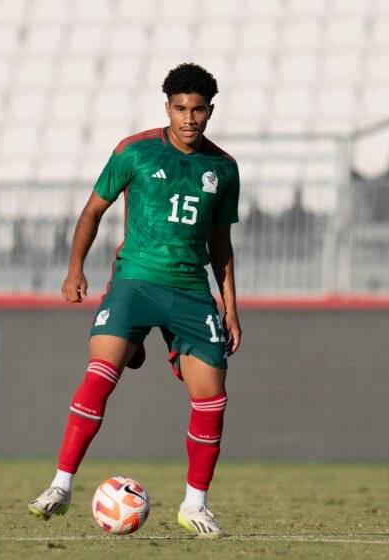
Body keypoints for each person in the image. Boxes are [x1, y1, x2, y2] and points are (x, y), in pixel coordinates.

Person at [27, 63, 241, 538]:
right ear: (167, 108)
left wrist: (229, 305)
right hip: (135, 283)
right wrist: (75, 268)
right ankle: (60, 486)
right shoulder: (135, 151)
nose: (189, 118)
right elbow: (93, 210)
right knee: (99, 374)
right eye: (181, 108)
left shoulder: (223, 168)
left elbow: (221, 244)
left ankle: (194, 505)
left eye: (198, 109)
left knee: (211, 398)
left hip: (190, 292)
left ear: (210, 111)